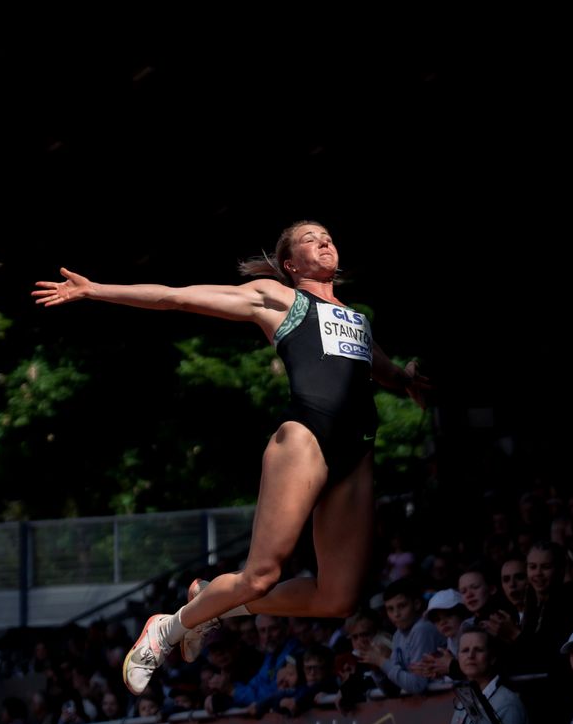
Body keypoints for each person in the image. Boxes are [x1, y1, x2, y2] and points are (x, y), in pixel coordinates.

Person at [35, 221, 430, 695]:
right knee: (261, 574)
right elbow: (174, 296)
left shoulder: (359, 319)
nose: (323, 241)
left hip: (359, 449)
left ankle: (212, 602)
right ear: (290, 265)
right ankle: (169, 627)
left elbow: (382, 370)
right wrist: (96, 289)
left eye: (327, 236)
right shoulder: (278, 298)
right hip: (306, 437)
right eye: (310, 239)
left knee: (338, 598)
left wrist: (409, 380)